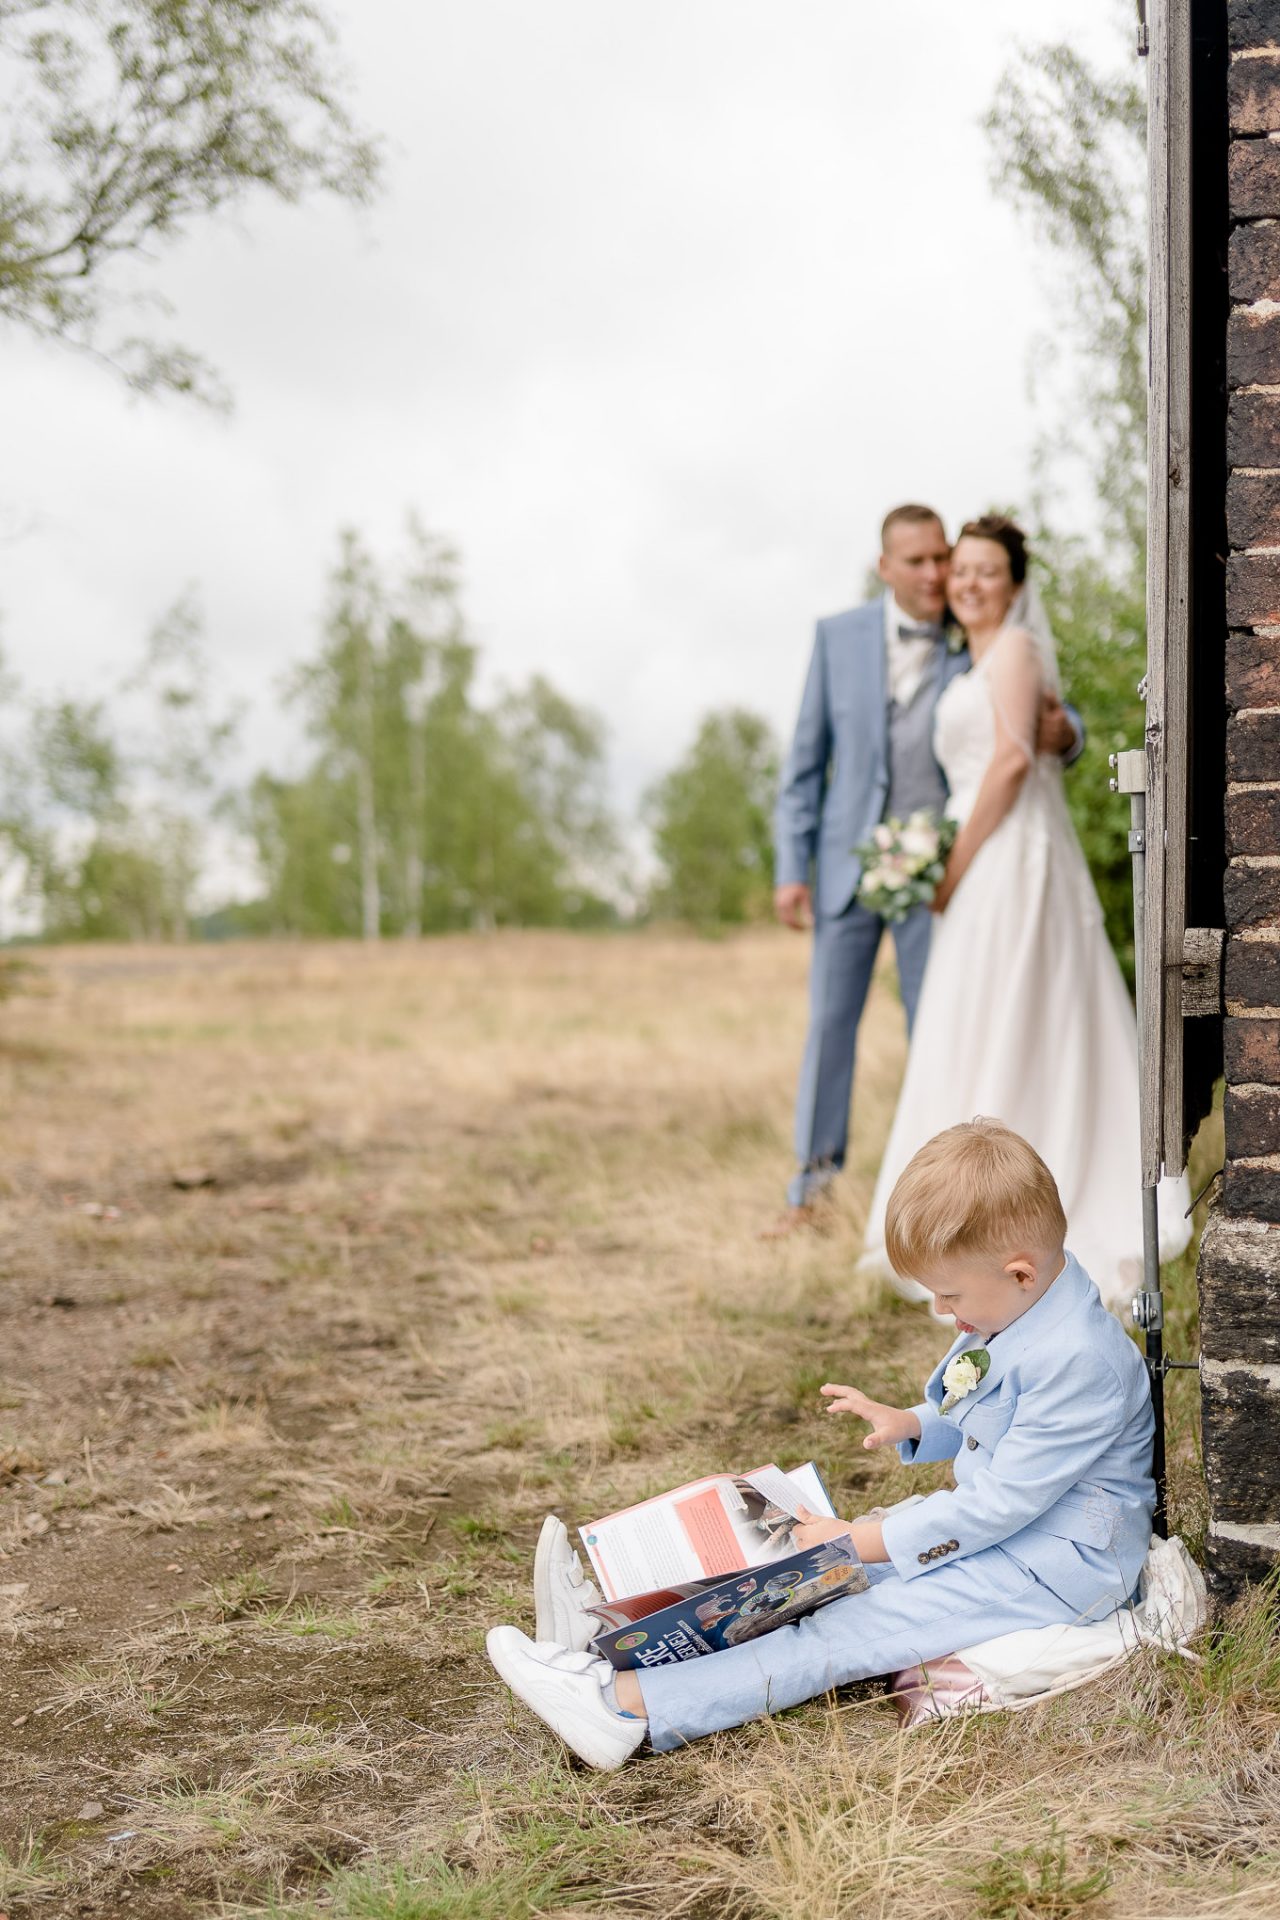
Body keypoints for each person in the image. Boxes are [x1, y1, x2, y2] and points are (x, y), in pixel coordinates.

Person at [485, 1120, 1155, 1769]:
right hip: (1012, 1539)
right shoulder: (1024, 1306)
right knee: (810, 1582)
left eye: (948, 1295)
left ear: (1020, 1273)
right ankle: (615, 1639)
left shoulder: (1082, 1360)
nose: (941, 1311)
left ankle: (623, 1708)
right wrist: (915, 1422)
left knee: (843, 1628)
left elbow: (999, 1505)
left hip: (1056, 1571)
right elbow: (1004, 1416)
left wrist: (855, 1541)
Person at [856, 516, 1191, 1307]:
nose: (969, 582)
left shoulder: (1014, 649)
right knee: (977, 1014)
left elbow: (1010, 762)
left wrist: (951, 869)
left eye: (987, 570)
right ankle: (959, 1211)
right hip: (985, 856)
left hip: (1012, 858)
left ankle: (1012, 1206)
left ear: (1014, 584)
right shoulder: (968, 659)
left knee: (1020, 1011)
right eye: (961, 569)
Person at [770, 505, 1081, 1229]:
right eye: (917, 561)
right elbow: (804, 763)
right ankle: (811, 1191)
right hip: (848, 870)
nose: (937, 574)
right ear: (884, 567)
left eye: (942, 557)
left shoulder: (970, 627)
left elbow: (1040, 705)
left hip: (942, 873)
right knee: (830, 1027)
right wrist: (792, 867)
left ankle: (944, 1203)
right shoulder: (837, 636)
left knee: (938, 1027)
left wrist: (1067, 732)